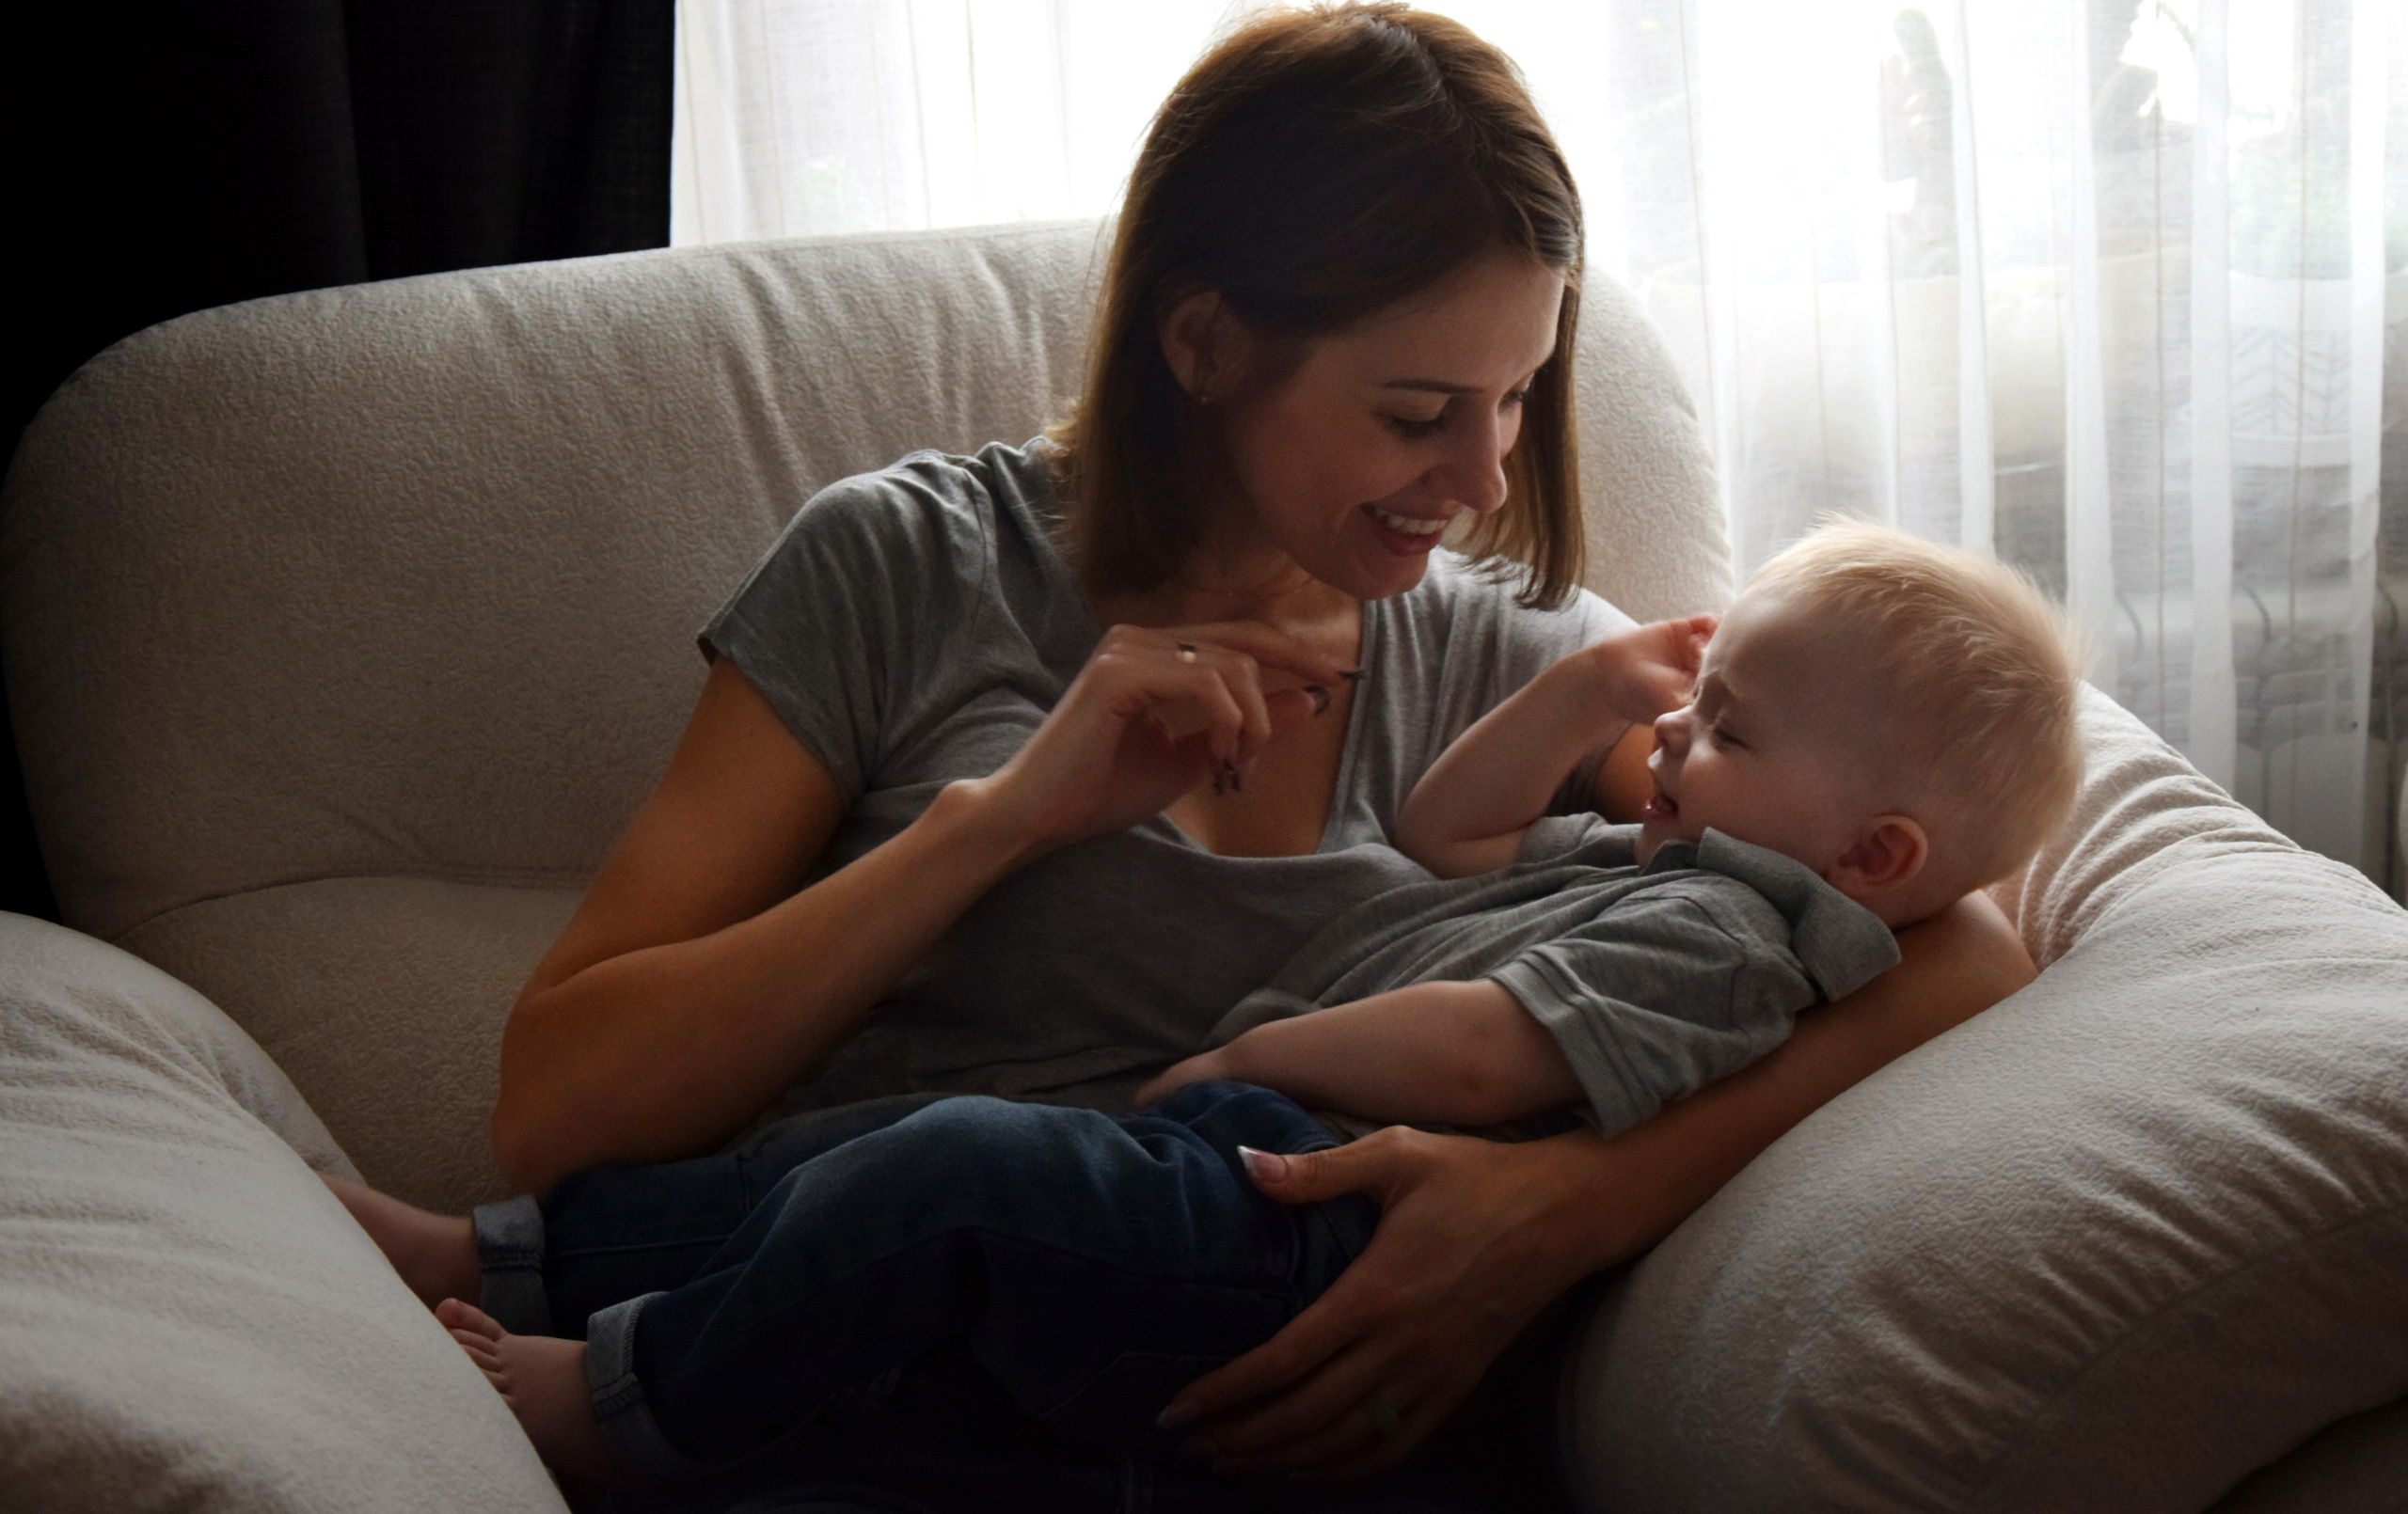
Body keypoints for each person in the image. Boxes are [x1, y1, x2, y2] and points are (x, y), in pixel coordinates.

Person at [330, 3, 2042, 1509]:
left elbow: (1955, 934)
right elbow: (559, 1104)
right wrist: (1000, 826)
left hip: (1269, 1412)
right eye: (1416, 409)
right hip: (842, 1382)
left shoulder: (1502, 651)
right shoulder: (908, 568)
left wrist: (1569, 1214)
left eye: (1515, 399)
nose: (1482, 479)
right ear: (1207, 339)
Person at [358, 521, 2080, 1500]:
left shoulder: (1737, 926)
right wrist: (1579, 694)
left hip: (1309, 1209)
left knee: (952, 1173)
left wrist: (1255, 1053)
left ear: (1871, 851)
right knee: (857, 1153)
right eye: (1697, 706)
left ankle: (629, 1403)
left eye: (1730, 727)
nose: (1681, 742)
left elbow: (1490, 1049)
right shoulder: (1653, 845)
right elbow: (1446, 833)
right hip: (1228, 1156)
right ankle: (503, 1257)